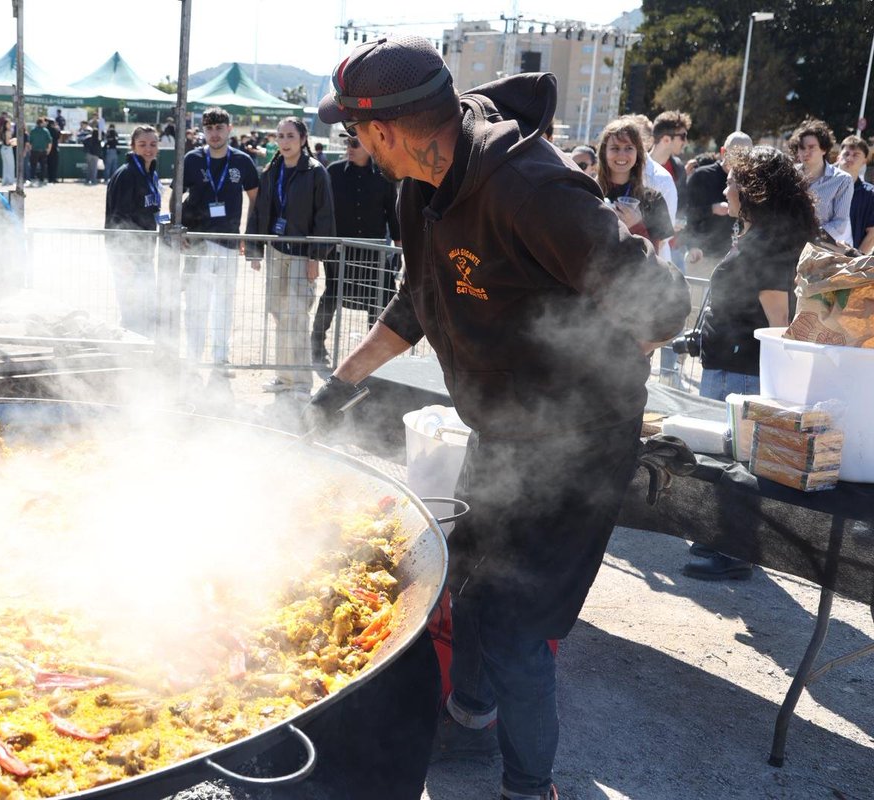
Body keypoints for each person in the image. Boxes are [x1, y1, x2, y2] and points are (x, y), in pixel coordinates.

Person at [309, 35, 688, 800]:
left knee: (517, 624)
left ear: (384, 130)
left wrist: (599, 373)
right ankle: (470, 715)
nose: (353, 144)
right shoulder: (420, 183)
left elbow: (667, 307)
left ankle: (527, 788)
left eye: (354, 130)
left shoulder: (530, 190)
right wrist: (337, 385)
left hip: (579, 443)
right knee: (468, 577)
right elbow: (420, 298)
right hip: (503, 432)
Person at [683, 146, 818, 581]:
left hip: (740, 370)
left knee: (734, 461)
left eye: (732, 181)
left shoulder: (769, 242)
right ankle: (724, 540)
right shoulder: (762, 234)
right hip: (729, 362)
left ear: (752, 190)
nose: (725, 188)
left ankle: (734, 550)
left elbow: (779, 320)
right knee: (730, 459)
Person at [245, 117, 335, 399]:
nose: (284, 141)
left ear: (303, 139)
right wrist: (256, 249)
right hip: (275, 251)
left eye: (290, 136)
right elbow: (259, 210)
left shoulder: (316, 172)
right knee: (278, 313)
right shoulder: (271, 170)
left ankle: (300, 383)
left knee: (296, 317)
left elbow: (325, 216)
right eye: (280, 136)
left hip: (301, 253)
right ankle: (283, 377)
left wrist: (315, 257)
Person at [179, 107, 260, 371]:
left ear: (230, 129)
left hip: (228, 242)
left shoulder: (242, 161)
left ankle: (220, 357)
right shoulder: (192, 159)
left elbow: (255, 200)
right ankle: (192, 357)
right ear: (203, 130)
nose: (214, 134)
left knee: (224, 301)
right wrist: (178, 228)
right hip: (197, 242)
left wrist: (250, 236)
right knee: (195, 301)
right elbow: (175, 195)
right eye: (209, 128)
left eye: (219, 128)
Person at [310, 132, 401, 366]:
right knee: (331, 296)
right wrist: (322, 247)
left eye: (354, 143)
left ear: (369, 145)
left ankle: (375, 355)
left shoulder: (384, 176)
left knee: (380, 301)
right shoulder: (334, 173)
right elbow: (323, 213)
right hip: (340, 252)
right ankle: (316, 344)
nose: (349, 147)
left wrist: (399, 252)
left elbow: (393, 215)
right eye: (347, 143)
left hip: (375, 253)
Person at [104, 125, 163, 335]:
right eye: (143, 144)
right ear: (133, 146)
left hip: (144, 252)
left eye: (153, 144)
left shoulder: (151, 174)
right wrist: (124, 258)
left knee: (144, 306)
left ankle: (140, 355)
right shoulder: (127, 175)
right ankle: (129, 358)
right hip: (128, 254)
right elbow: (117, 218)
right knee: (132, 310)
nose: (148, 149)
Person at [597, 119, 674, 252]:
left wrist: (636, 226)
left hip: (633, 272)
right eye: (615, 148)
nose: (622, 155)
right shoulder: (590, 193)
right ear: (604, 153)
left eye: (629, 148)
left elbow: (654, 256)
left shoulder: (653, 199)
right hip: (594, 271)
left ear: (638, 153)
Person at [685, 132, 753, 267]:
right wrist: (712, 209)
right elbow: (686, 215)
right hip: (702, 255)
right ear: (723, 151)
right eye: (735, 153)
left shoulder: (751, 181)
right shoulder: (701, 176)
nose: (739, 159)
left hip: (736, 260)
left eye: (745, 155)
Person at [790, 118, 852, 246]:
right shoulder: (789, 174)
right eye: (801, 148)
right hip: (788, 246)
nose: (805, 152)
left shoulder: (842, 179)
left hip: (820, 249)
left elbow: (840, 223)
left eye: (811, 147)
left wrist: (811, 236)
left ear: (824, 149)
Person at [837, 135, 874, 254]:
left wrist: (855, 261)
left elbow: (872, 233)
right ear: (838, 157)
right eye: (846, 153)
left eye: (856, 155)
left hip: (848, 263)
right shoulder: (824, 186)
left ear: (865, 161)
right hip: (817, 256)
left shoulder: (870, 194)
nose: (849, 158)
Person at [27, 118, 52, 188]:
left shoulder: (33, 131)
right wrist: (48, 150)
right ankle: (42, 180)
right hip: (43, 151)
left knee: (33, 166)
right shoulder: (46, 131)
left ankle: (32, 180)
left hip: (34, 151)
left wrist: (30, 149)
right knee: (43, 166)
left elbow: (29, 142)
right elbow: (50, 141)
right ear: (41, 123)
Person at [0, 114, 16, 188]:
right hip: (7, 149)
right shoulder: (8, 131)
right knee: (10, 165)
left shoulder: (3, 131)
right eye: (8, 124)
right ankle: (10, 181)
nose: (10, 125)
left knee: (6, 166)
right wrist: (15, 141)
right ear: (5, 124)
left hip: (3, 148)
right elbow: (8, 142)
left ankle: (5, 180)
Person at [46, 118, 62, 184]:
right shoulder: (55, 129)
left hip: (47, 149)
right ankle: (54, 178)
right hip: (54, 148)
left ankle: (49, 178)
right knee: (54, 165)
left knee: (48, 164)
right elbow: (59, 137)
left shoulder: (46, 130)